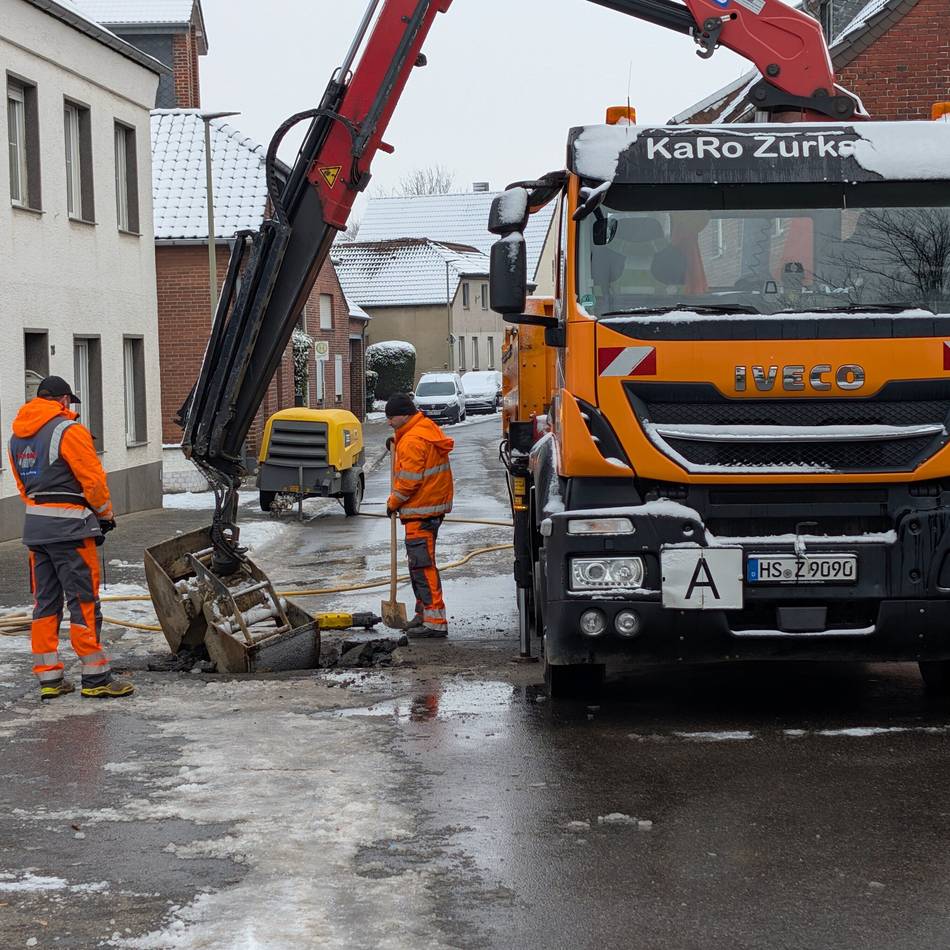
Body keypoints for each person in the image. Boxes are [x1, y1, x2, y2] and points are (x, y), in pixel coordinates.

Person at [8, 376, 134, 700]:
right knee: (83, 602)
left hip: (36, 531)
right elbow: (92, 481)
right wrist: (105, 516)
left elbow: (24, 489)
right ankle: (96, 677)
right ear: (63, 400)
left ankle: (50, 678)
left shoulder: (17, 438)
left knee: (45, 604)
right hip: (70, 532)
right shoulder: (68, 431)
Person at [384, 393, 455, 638]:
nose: (389, 422)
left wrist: (392, 503)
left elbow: (408, 482)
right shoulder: (421, 429)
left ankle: (434, 621)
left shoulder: (413, 440)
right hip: (428, 508)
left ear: (404, 415)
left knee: (423, 566)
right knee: (418, 565)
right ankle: (423, 613)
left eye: (391, 418)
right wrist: (395, 440)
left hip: (420, 511)